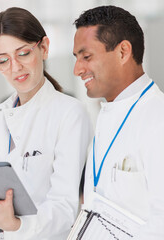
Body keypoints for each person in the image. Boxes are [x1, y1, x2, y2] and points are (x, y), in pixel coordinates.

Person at [0, 7, 91, 240]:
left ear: (44, 47)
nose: (15, 67)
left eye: (24, 53)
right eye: (3, 60)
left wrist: (14, 224)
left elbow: (64, 208)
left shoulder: (69, 113)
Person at [73, 5, 164, 239]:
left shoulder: (157, 116)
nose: (77, 69)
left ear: (123, 52)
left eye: (86, 56)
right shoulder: (109, 113)